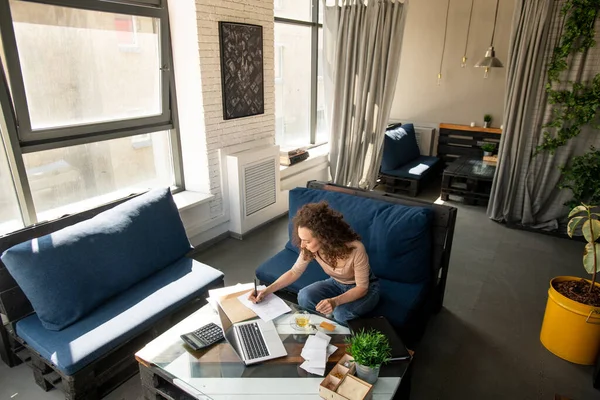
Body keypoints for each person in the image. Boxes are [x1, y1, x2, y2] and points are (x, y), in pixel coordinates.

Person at [249, 201, 380, 324]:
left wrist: (335, 301)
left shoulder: (356, 249)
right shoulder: (311, 249)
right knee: (304, 296)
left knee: (341, 314)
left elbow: (362, 289)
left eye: (307, 240)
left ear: (324, 237)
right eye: (301, 239)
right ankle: (322, 327)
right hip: (336, 283)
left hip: (365, 289)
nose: (302, 245)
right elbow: (294, 272)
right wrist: (266, 291)